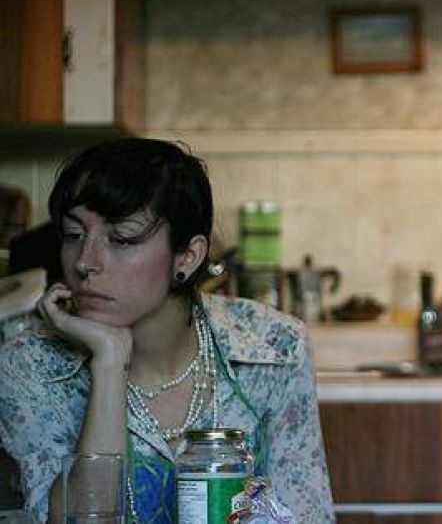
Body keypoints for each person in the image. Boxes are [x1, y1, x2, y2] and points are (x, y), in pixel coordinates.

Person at [0, 138, 334, 523]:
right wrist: (109, 363)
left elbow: (307, 514)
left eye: (121, 239)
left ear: (187, 256)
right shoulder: (31, 364)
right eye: (74, 235)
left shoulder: (272, 346)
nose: (85, 262)